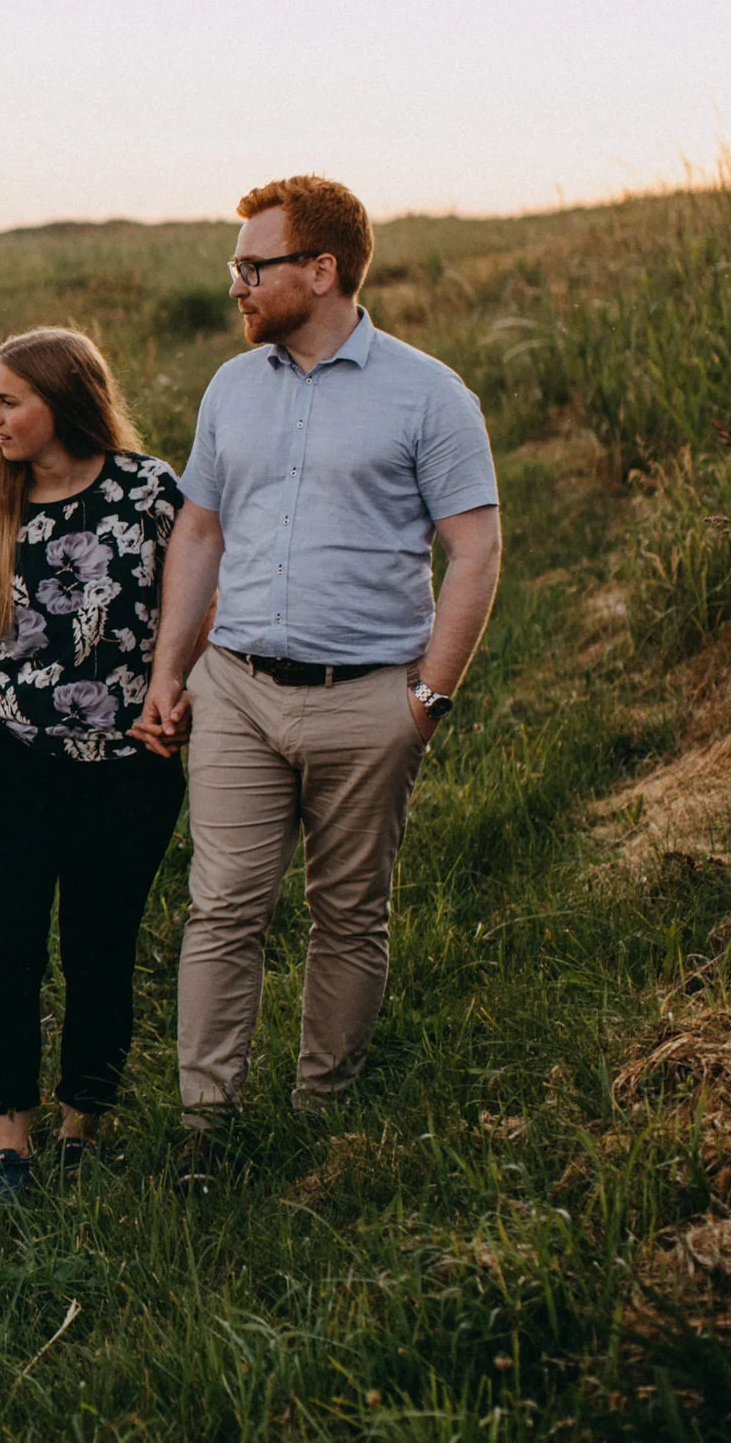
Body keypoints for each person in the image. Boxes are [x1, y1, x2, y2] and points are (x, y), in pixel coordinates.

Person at [130, 176, 503, 1163]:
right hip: (239, 692)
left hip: (369, 700)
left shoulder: (429, 393)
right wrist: (174, 670)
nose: (238, 286)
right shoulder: (230, 388)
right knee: (223, 904)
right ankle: (207, 1125)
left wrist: (426, 697)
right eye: (236, 267)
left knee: (348, 909)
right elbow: (200, 530)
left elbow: (476, 550)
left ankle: (320, 1113)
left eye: (255, 267)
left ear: (322, 270)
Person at [0, 327, 187, 1218]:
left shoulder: (150, 493)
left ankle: (78, 1132)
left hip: (125, 770)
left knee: (102, 949)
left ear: (63, 401)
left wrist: (175, 695)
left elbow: (200, 608)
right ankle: (10, 1149)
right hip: (3, 761)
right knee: (8, 952)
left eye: (7, 399)